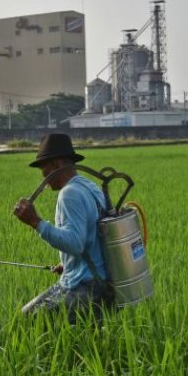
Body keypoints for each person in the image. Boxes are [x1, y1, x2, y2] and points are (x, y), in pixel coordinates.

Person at [12, 133, 114, 323]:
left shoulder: (69, 194)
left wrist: (35, 222)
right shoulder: (89, 186)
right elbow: (93, 235)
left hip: (86, 287)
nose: (42, 174)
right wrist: (70, 264)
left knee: (26, 322)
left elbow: (75, 243)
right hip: (99, 281)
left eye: (43, 167)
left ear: (56, 164)